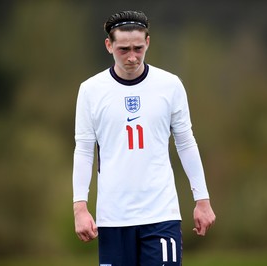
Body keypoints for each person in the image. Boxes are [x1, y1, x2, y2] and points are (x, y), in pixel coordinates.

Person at [72, 10, 216, 266]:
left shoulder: (170, 85)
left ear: (148, 42)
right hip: (113, 218)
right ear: (109, 45)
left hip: (162, 214)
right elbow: (83, 151)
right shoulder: (90, 90)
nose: (132, 57)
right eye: (123, 49)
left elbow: (186, 143)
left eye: (138, 48)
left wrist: (202, 199)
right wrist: (80, 207)